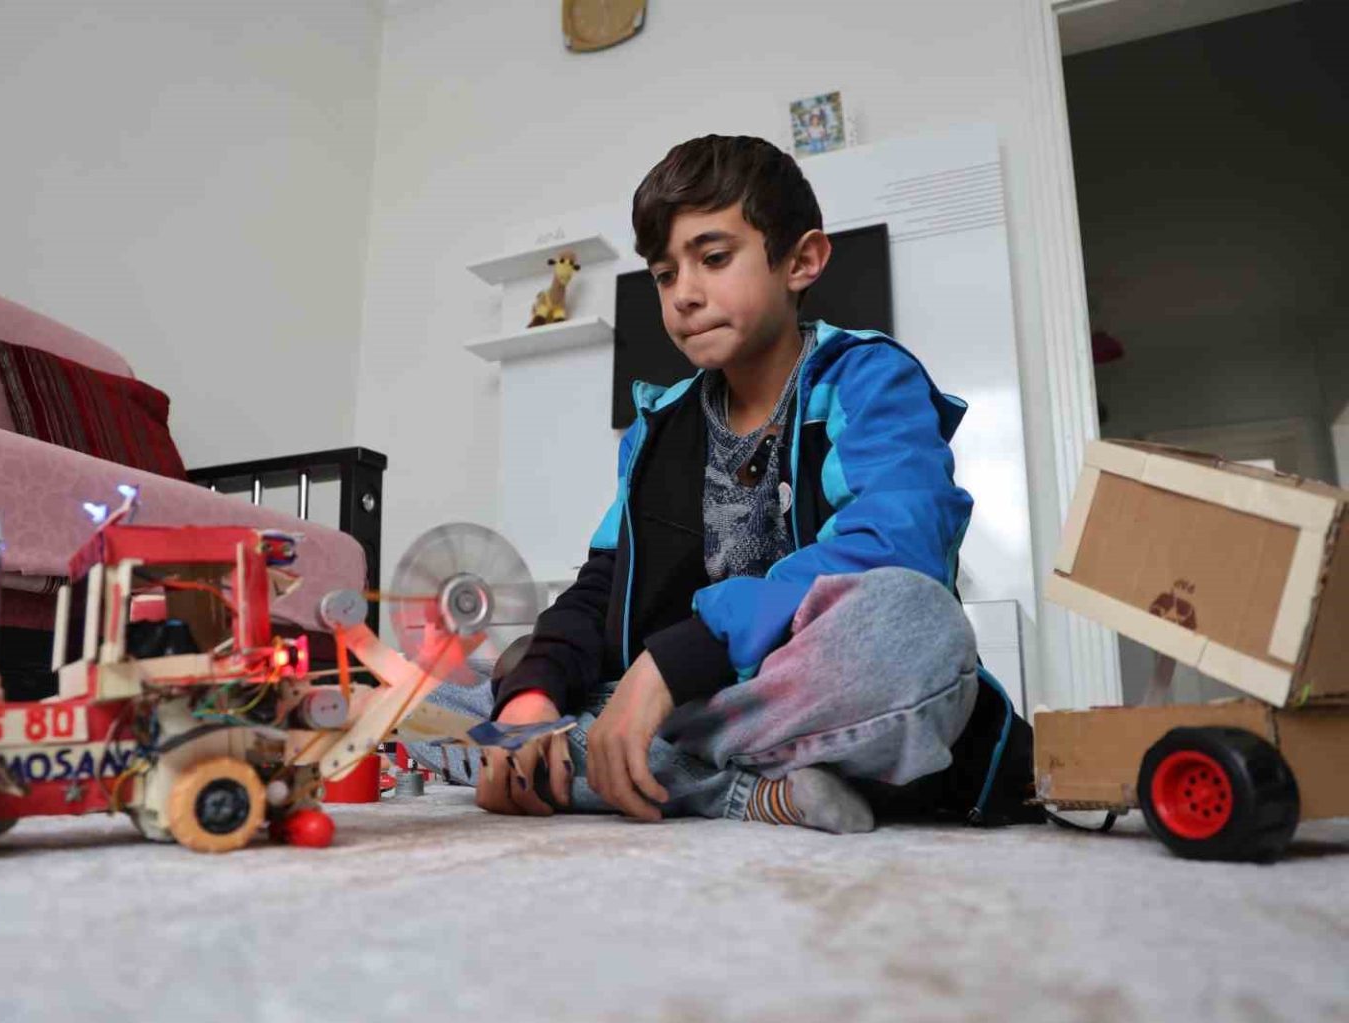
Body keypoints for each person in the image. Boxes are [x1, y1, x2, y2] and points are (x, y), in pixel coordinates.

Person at [407, 134, 1036, 833]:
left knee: (917, 627)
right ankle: (745, 789)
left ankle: (607, 761)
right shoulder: (658, 426)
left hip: (786, 691)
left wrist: (671, 664)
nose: (684, 294)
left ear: (801, 260)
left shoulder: (870, 379)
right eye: (664, 274)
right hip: (692, 703)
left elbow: (895, 549)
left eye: (712, 258)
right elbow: (602, 586)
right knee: (420, 690)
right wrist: (533, 694)